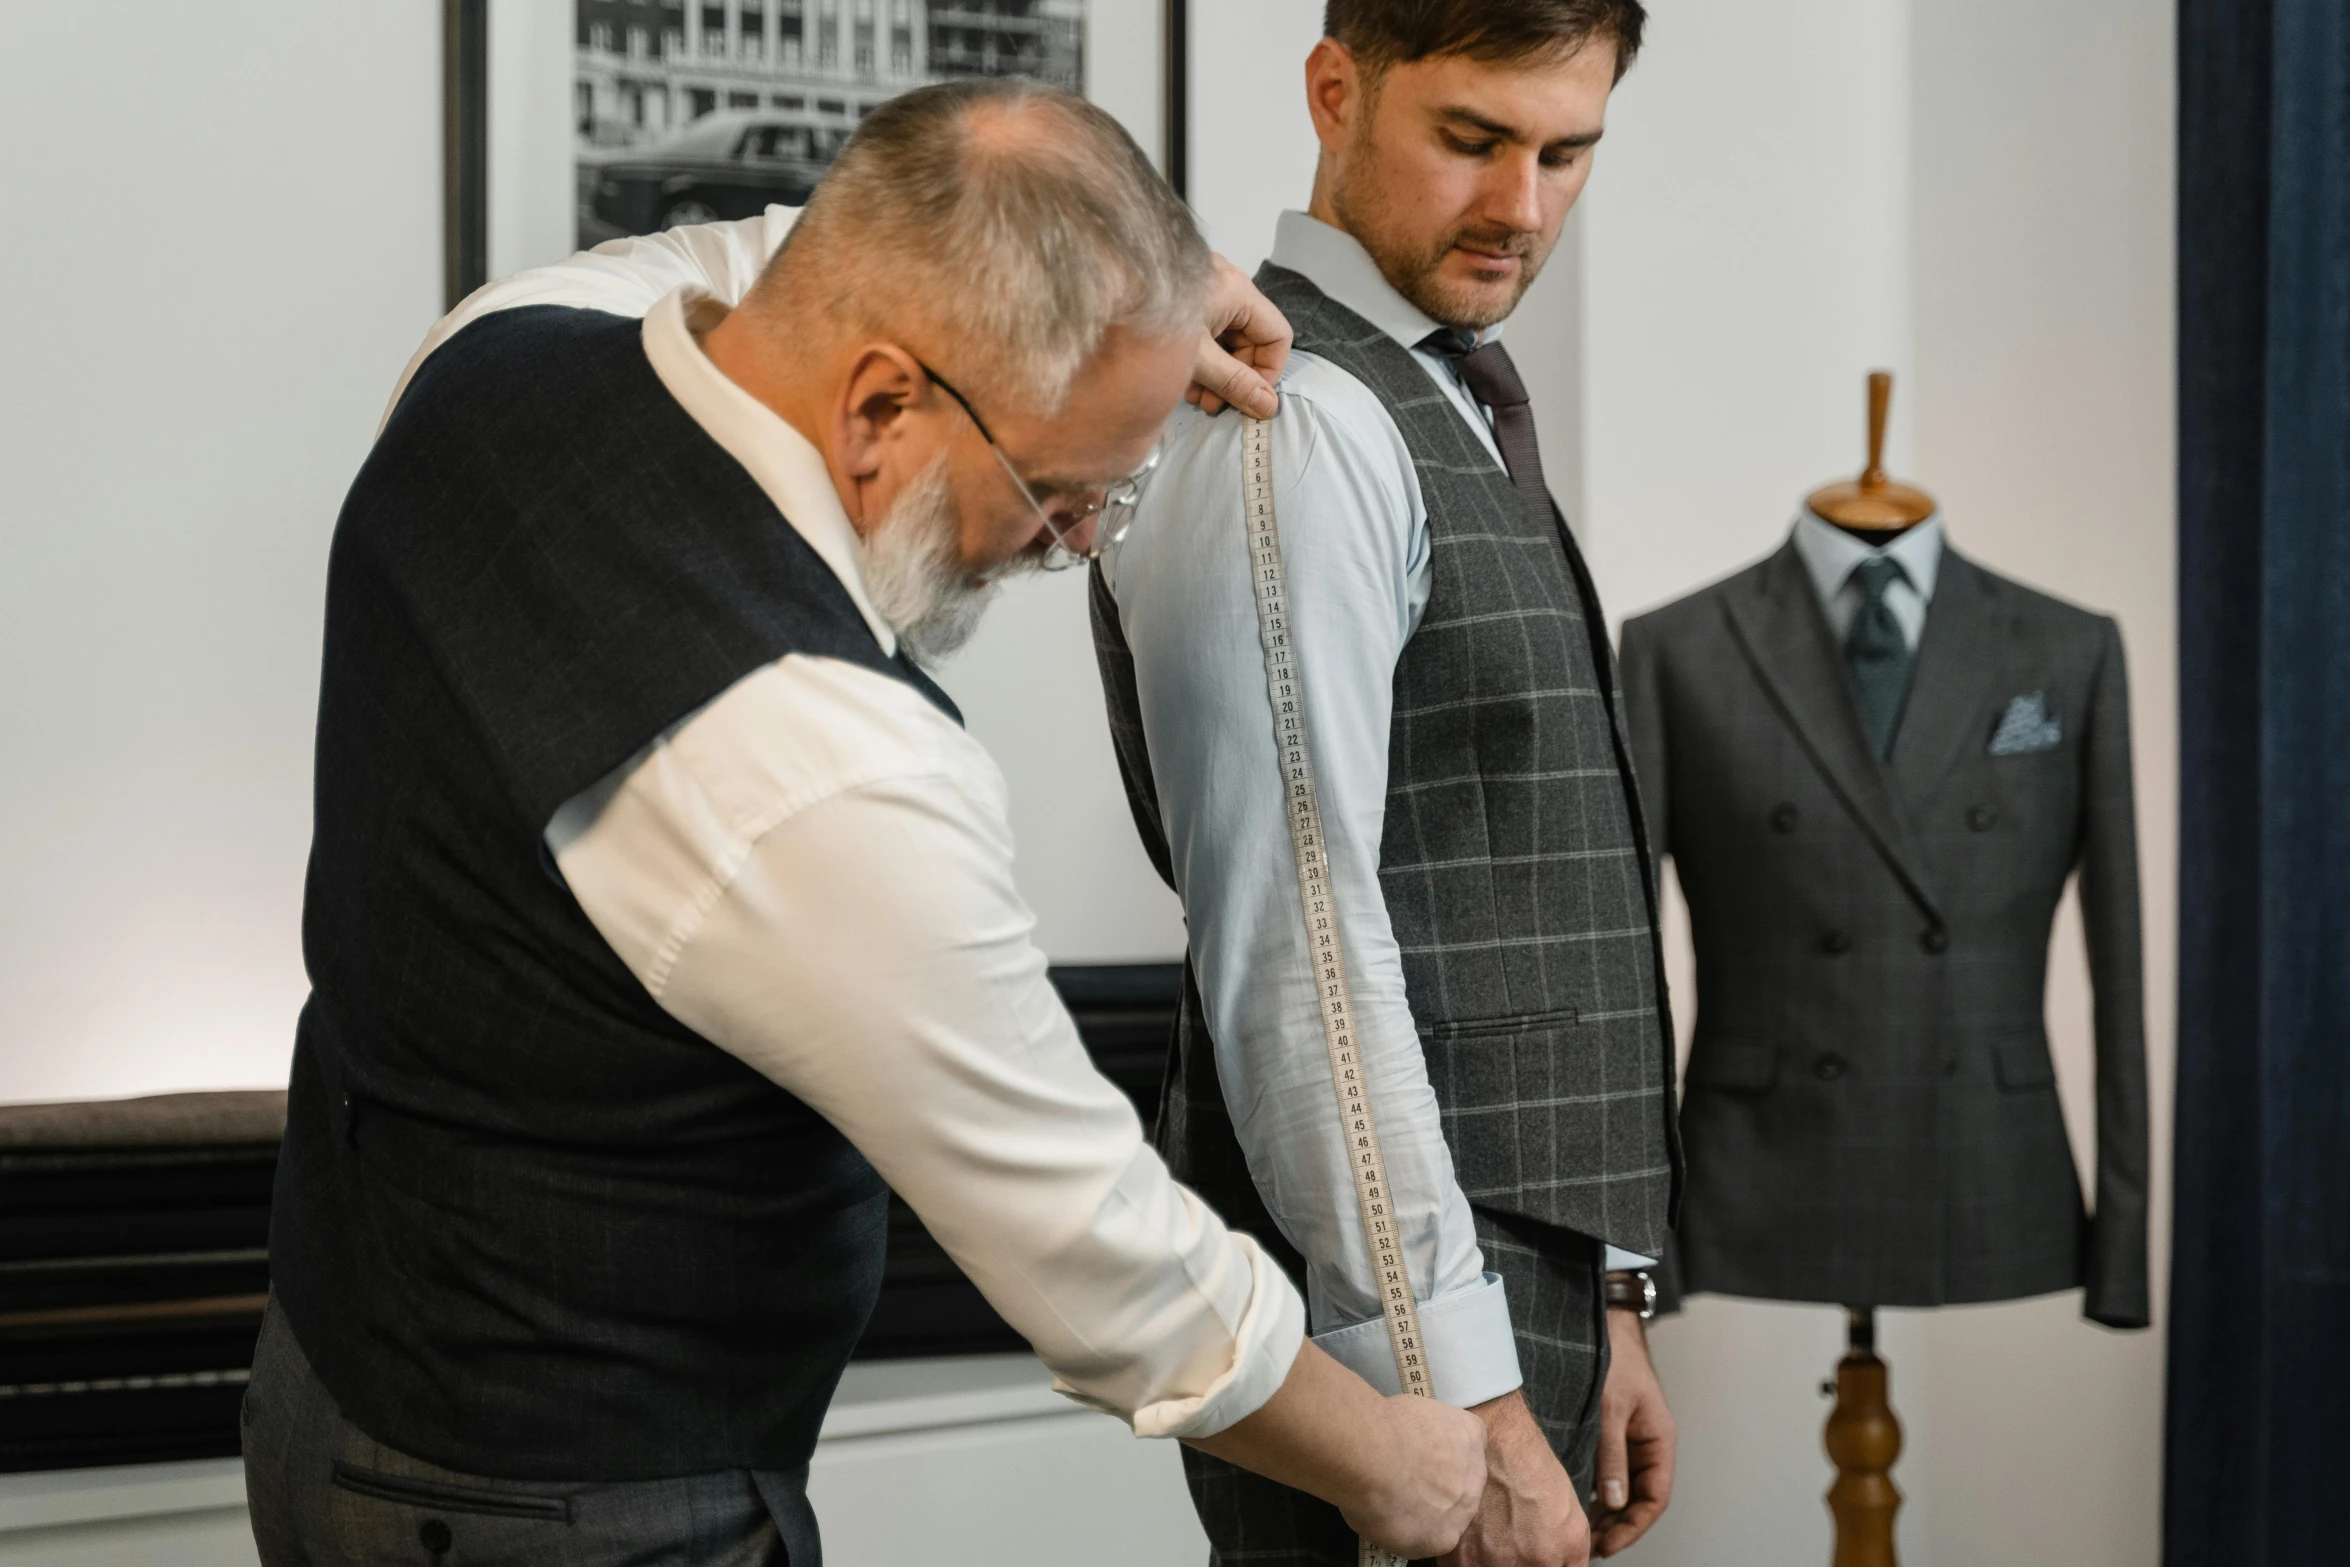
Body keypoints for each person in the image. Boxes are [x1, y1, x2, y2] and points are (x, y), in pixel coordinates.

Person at [244, 80, 1488, 1567]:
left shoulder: (499, 347)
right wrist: (1393, 1459)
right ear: (883, 402)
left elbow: (788, 255)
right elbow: (1099, 1256)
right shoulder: (817, 758)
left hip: (327, 1380)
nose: (1073, 542)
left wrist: (1136, 291)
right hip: (577, 1502)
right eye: (1059, 489)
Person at [1089, 3, 1680, 1563]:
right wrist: (1457, 1392)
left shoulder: (1449, 399)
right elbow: (1296, 946)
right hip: (1407, 1343)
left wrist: (1606, 1288)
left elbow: (1515, 875)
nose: (1523, 207)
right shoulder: (1297, 422)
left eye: (1568, 153)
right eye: (1472, 141)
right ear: (1333, 92)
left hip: (1517, 1290)